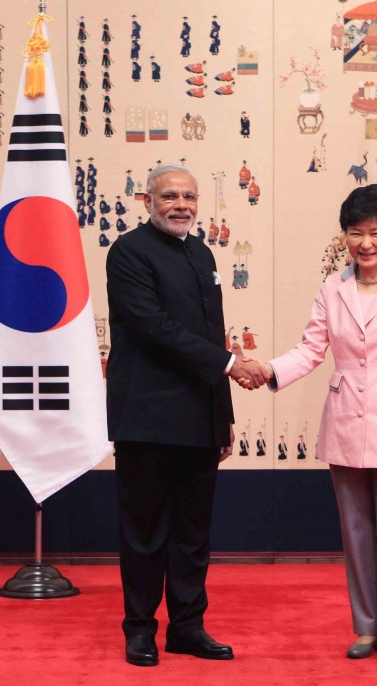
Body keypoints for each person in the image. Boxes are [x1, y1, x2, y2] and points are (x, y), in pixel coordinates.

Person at [243, 184, 377, 662]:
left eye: (375, 232)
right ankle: (366, 627)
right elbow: (312, 350)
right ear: (344, 237)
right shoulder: (333, 289)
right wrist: (270, 369)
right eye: (356, 233)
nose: (366, 243)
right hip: (345, 421)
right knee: (355, 531)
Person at [106, 164, 264, 668]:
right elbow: (155, 327)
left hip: (199, 420)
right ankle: (140, 630)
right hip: (147, 419)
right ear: (145, 200)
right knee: (145, 533)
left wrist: (223, 415)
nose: (181, 205)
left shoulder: (203, 253)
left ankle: (188, 627)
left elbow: (212, 336)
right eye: (169, 196)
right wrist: (230, 366)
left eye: (189, 197)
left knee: (194, 534)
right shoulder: (128, 253)